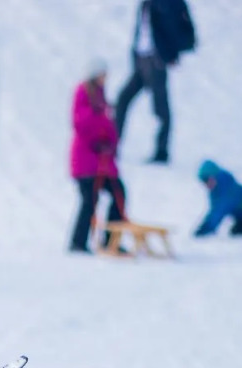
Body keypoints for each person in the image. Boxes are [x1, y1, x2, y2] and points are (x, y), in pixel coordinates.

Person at [113, 0, 197, 164]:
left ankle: (161, 151)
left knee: (160, 108)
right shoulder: (147, 3)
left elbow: (174, 26)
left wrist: (170, 54)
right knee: (123, 99)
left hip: (156, 61)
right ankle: (112, 145)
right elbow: (141, 28)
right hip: (141, 59)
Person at [69, 60, 127, 255]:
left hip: (102, 161)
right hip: (85, 162)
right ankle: (78, 241)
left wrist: (111, 143)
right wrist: (98, 138)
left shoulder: (100, 97)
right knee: (89, 201)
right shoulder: (83, 94)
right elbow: (81, 123)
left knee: (119, 194)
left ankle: (111, 240)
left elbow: (107, 124)